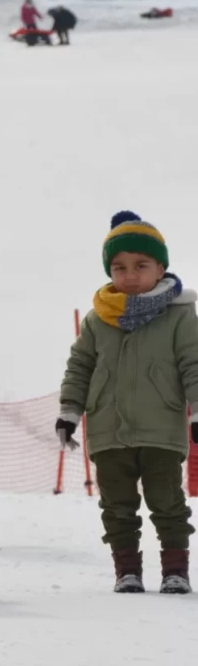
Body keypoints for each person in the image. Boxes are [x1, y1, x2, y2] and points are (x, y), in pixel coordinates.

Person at [57, 211, 196, 595]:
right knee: (116, 507)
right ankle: (127, 570)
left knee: (168, 503)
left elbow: (194, 364)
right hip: (108, 430)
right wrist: (69, 411)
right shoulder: (97, 319)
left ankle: (175, 570)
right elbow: (80, 366)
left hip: (161, 429)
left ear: (161, 267)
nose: (129, 275)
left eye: (140, 265)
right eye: (119, 267)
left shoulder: (180, 315)